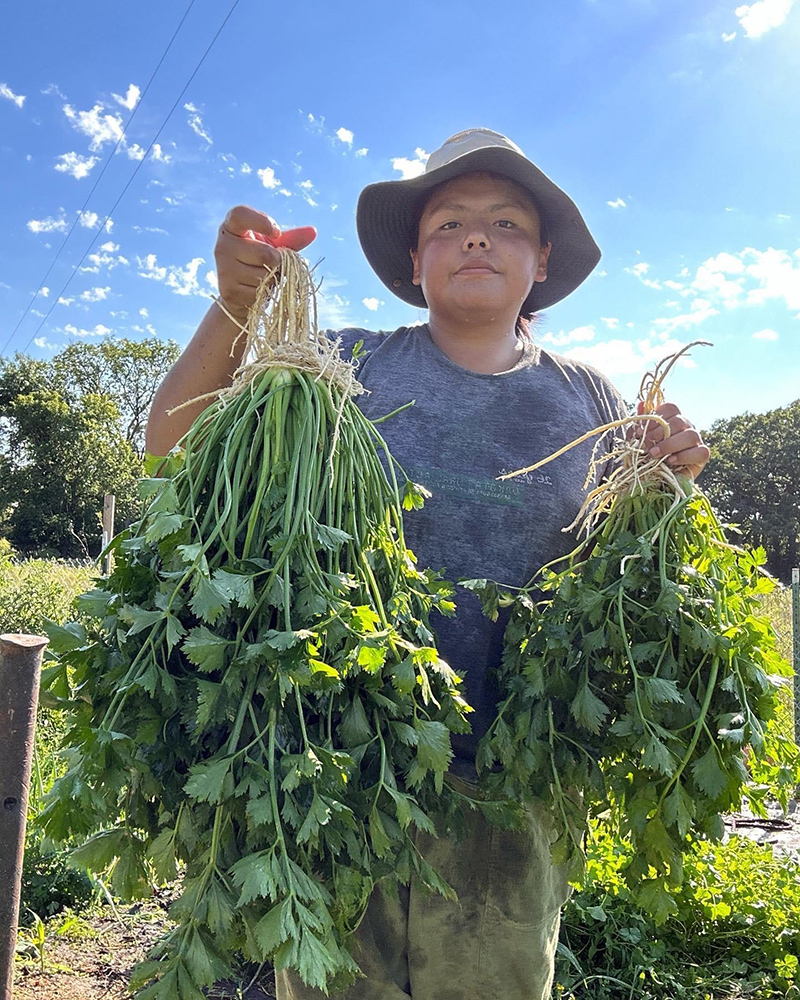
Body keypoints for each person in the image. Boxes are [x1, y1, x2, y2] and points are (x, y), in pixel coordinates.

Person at [146, 128, 710, 1000]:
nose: (477, 237)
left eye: (507, 224)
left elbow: (618, 566)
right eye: (449, 223)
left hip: (512, 776)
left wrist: (664, 477)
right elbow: (173, 447)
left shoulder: (591, 399)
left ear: (543, 261)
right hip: (338, 764)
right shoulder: (347, 366)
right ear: (414, 261)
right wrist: (233, 307)